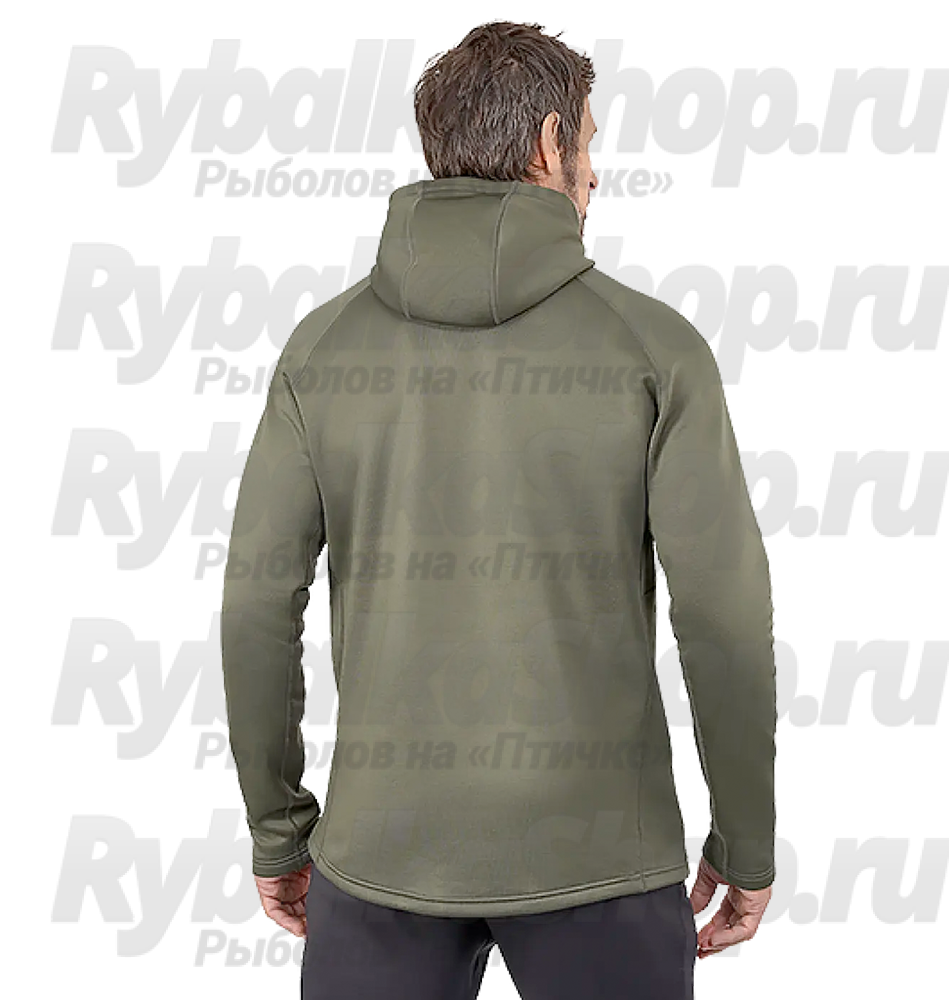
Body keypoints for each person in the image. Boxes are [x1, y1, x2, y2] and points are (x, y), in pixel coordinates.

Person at [220, 20, 777, 1000]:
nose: (595, 175)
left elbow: (256, 606)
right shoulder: (653, 349)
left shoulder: (321, 350)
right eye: (589, 144)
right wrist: (745, 839)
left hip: (379, 860)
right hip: (602, 860)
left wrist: (278, 829)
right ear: (550, 144)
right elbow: (722, 616)